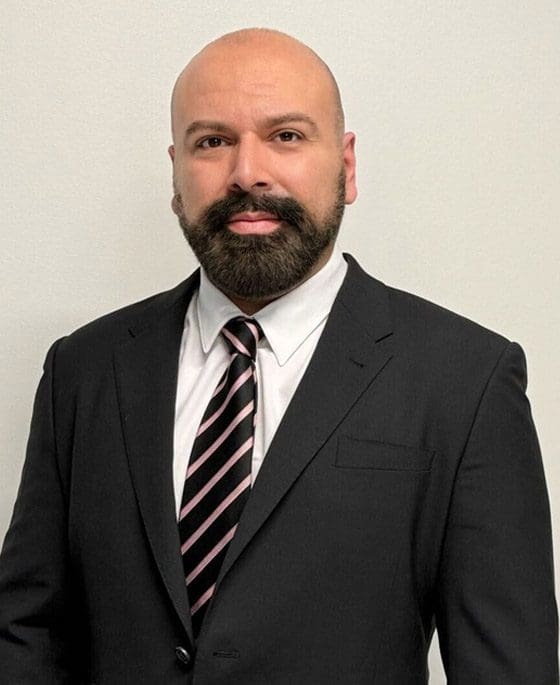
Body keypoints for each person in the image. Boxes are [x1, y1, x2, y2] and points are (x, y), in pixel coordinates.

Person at [0, 27, 557, 684]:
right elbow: (26, 631)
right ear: (176, 174)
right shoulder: (83, 370)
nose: (247, 173)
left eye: (286, 135)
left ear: (347, 167)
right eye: (213, 142)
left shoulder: (466, 380)